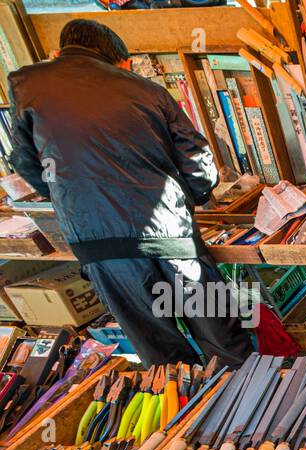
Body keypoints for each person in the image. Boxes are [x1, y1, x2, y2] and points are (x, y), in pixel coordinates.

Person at [6, 19, 254, 367]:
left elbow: (25, 162)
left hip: (99, 247)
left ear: (60, 53)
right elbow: (199, 163)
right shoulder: (148, 90)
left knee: (163, 357)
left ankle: (193, 418)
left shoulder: (26, 84)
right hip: (173, 239)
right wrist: (190, 199)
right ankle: (249, 406)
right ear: (118, 60)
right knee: (225, 339)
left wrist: (73, 200)